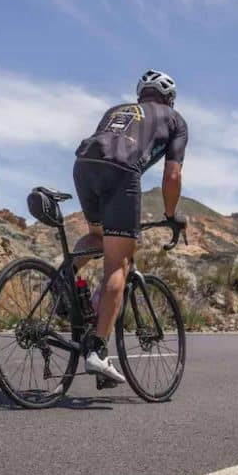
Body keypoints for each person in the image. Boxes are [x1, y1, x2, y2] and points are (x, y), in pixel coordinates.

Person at [68, 69, 188, 385]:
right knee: (118, 265)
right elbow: (172, 175)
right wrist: (171, 214)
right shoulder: (175, 120)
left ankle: (61, 287)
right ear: (170, 99)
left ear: (141, 94)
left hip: (84, 166)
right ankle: (97, 350)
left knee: (97, 234)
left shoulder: (116, 110)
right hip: (121, 172)